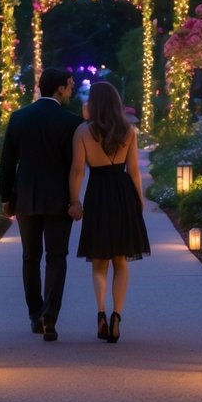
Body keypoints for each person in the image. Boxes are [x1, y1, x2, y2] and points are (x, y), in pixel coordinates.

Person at [0, 67, 82, 341]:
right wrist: (74, 200)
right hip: (58, 197)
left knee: (30, 256)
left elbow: (8, 162)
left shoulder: (20, 118)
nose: (71, 90)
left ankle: (35, 314)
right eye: (69, 85)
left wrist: (5, 198)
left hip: (26, 195)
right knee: (57, 257)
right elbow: (74, 167)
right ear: (59, 88)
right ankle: (50, 315)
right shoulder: (70, 123)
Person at [69, 81, 149, 344]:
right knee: (121, 260)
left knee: (99, 261)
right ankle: (117, 316)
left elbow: (78, 170)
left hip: (98, 193)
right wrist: (139, 199)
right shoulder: (129, 131)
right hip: (123, 192)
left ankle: (101, 311)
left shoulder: (83, 131)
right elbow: (134, 171)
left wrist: (75, 201)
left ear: (93, 103)